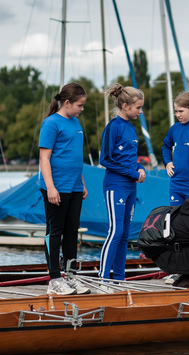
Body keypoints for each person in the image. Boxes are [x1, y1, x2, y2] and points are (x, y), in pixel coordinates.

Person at [39, 82, 90, 295]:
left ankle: (70, 276)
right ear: (67, 102)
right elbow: (44, 158)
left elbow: (75, 156)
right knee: (55, 232)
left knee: (71, 232)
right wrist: (51, 187)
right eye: (79, 105)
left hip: (75, 186)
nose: (82, 109)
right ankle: (54, 279)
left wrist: (83, 183)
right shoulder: (51, 124)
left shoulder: (76, 122)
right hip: (56, 187)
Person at [98, 83, 146, 281]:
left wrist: (139, 169)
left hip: (130, 188)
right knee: (115, 232)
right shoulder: (113, 127)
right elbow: (105, 159)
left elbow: (129, 158)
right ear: (125, 106)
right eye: (138, 108)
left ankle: (119, 278)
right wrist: (132, 173)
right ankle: (102, 277)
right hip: (115, 186)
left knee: (125, 234)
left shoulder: (131, 129)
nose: (140, 111)